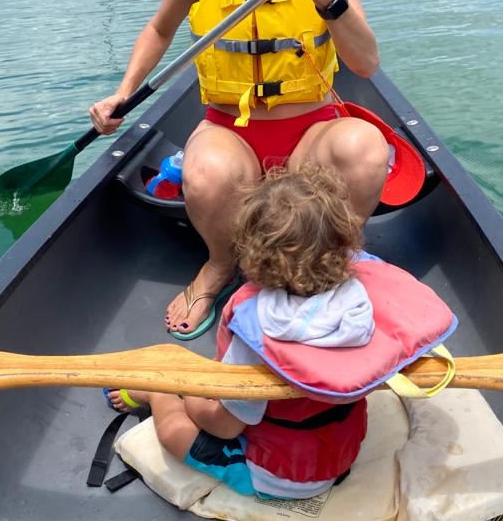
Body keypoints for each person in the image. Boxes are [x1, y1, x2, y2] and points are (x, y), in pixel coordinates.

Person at [89, 0, 388, 339]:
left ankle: (332, 254)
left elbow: (365, 63)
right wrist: (123, 91)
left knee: (368, 150)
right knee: (205, 174)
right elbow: (159, 29)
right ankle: (220, 264)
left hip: (311, 131)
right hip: (231, 131)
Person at [105, 163, 373, 499]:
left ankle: (155, 395)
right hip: (339, 454)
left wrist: (185, 394)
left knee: (175, 433)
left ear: (254, 255)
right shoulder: (360, 303)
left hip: (279, 476)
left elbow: (225, 426)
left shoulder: (256, 333)